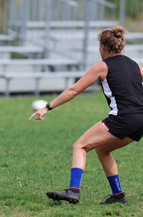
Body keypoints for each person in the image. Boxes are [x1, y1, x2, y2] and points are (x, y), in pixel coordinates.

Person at [29, 26, 143, 205]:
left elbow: (74, 90)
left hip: (123, 118)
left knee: (80, 146)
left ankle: (73, 191)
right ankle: (118, 195)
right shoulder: (134, 65)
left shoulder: (102, 67)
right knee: (103, 149)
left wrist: (47, 107)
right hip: (140, 120)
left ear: (103, 47)